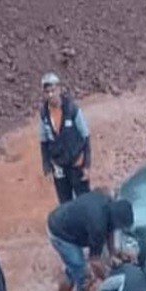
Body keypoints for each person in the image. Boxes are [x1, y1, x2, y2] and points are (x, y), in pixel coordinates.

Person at [47, 189, 134, 291]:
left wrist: (113, 253)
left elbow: (110, 231)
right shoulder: (98, 225)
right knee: (83, 276)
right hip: (60, 234)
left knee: (73, 268)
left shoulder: (108, 203)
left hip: (65, 221)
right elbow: (94, 262)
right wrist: (108, 280)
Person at [38, 72, 92, 204]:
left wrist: (87, 165)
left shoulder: (72, 110)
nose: (50, 95)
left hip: (77, 164)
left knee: (84, 202)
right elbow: (44, 142)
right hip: (59, 166)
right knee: (65, 204)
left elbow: (86, 136)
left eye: (53, 90)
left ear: (59, 89)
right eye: (47, 92)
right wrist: (47, 166)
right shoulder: (44, 114)